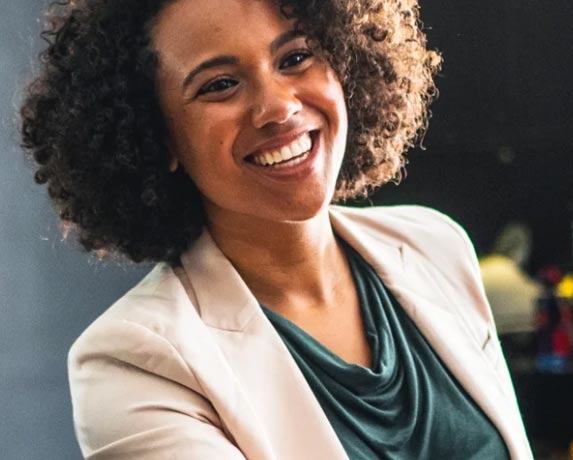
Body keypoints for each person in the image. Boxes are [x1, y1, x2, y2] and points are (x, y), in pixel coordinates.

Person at [20, 0, 533, 458]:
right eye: (220, 85)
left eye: (295, 58)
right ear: (156, 136)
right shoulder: (133, 365)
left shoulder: (436, 247)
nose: (279, 106)